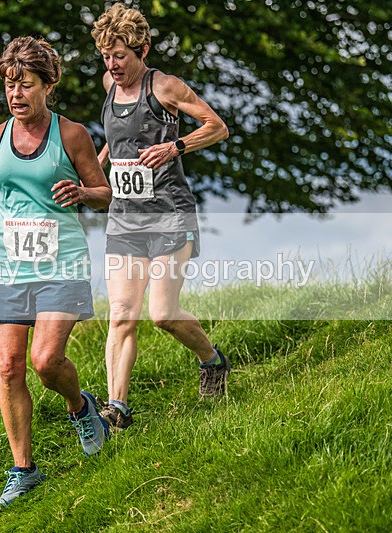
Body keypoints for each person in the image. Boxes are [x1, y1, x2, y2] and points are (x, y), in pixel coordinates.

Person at [0, 36, 112, 506]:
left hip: (61, 263)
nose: (16, 94)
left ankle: (82, 408)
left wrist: (83, 194)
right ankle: (24, 469)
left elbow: (103, 192)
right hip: (9, 265)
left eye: (26, 85)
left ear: (49, 85)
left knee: (46, 362)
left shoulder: (72, 136)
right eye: (9, 85)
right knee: (8, 368)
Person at [91, 3, 231, 432]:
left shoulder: (165, 87)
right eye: (107, 56)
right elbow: (117, 143)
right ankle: (117, 409)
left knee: (163, 314)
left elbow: (217, 126)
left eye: (121, 56)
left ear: (143, 50)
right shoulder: (108, 86)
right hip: (125, 220)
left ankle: (213, 361)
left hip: (170, 214)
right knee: (121, 314)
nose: (113, 65)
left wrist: (176, 147)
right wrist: (94, 173)